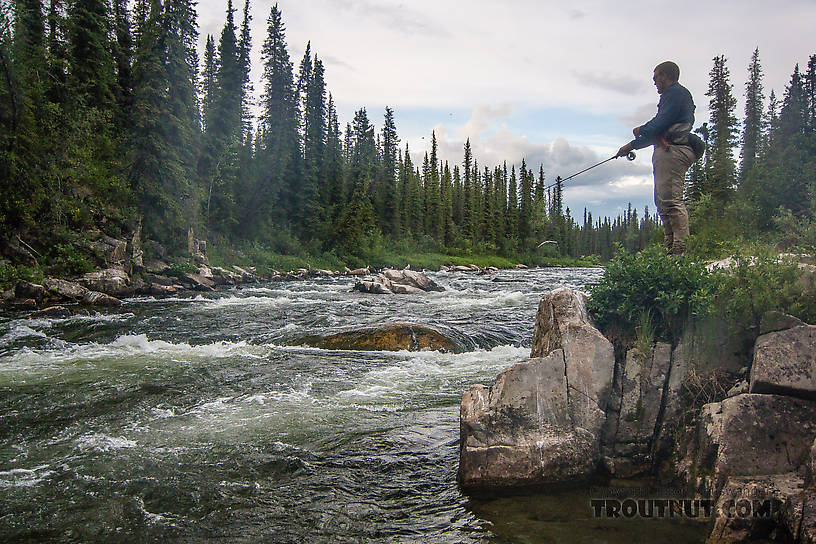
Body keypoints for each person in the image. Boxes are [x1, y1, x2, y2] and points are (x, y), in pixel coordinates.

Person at [616, 61, 696, 256]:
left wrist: (640, 130)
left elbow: (659, 124)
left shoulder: (676, 93)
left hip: (675, 151)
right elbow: (658, 131)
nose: (654, 83)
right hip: (669, 150)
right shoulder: (672, 96)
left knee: (671, 201)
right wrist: (630, 146)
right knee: (662, 202)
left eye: (656, 78)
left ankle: (680, 249)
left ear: (667, 76)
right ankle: (670, 248)